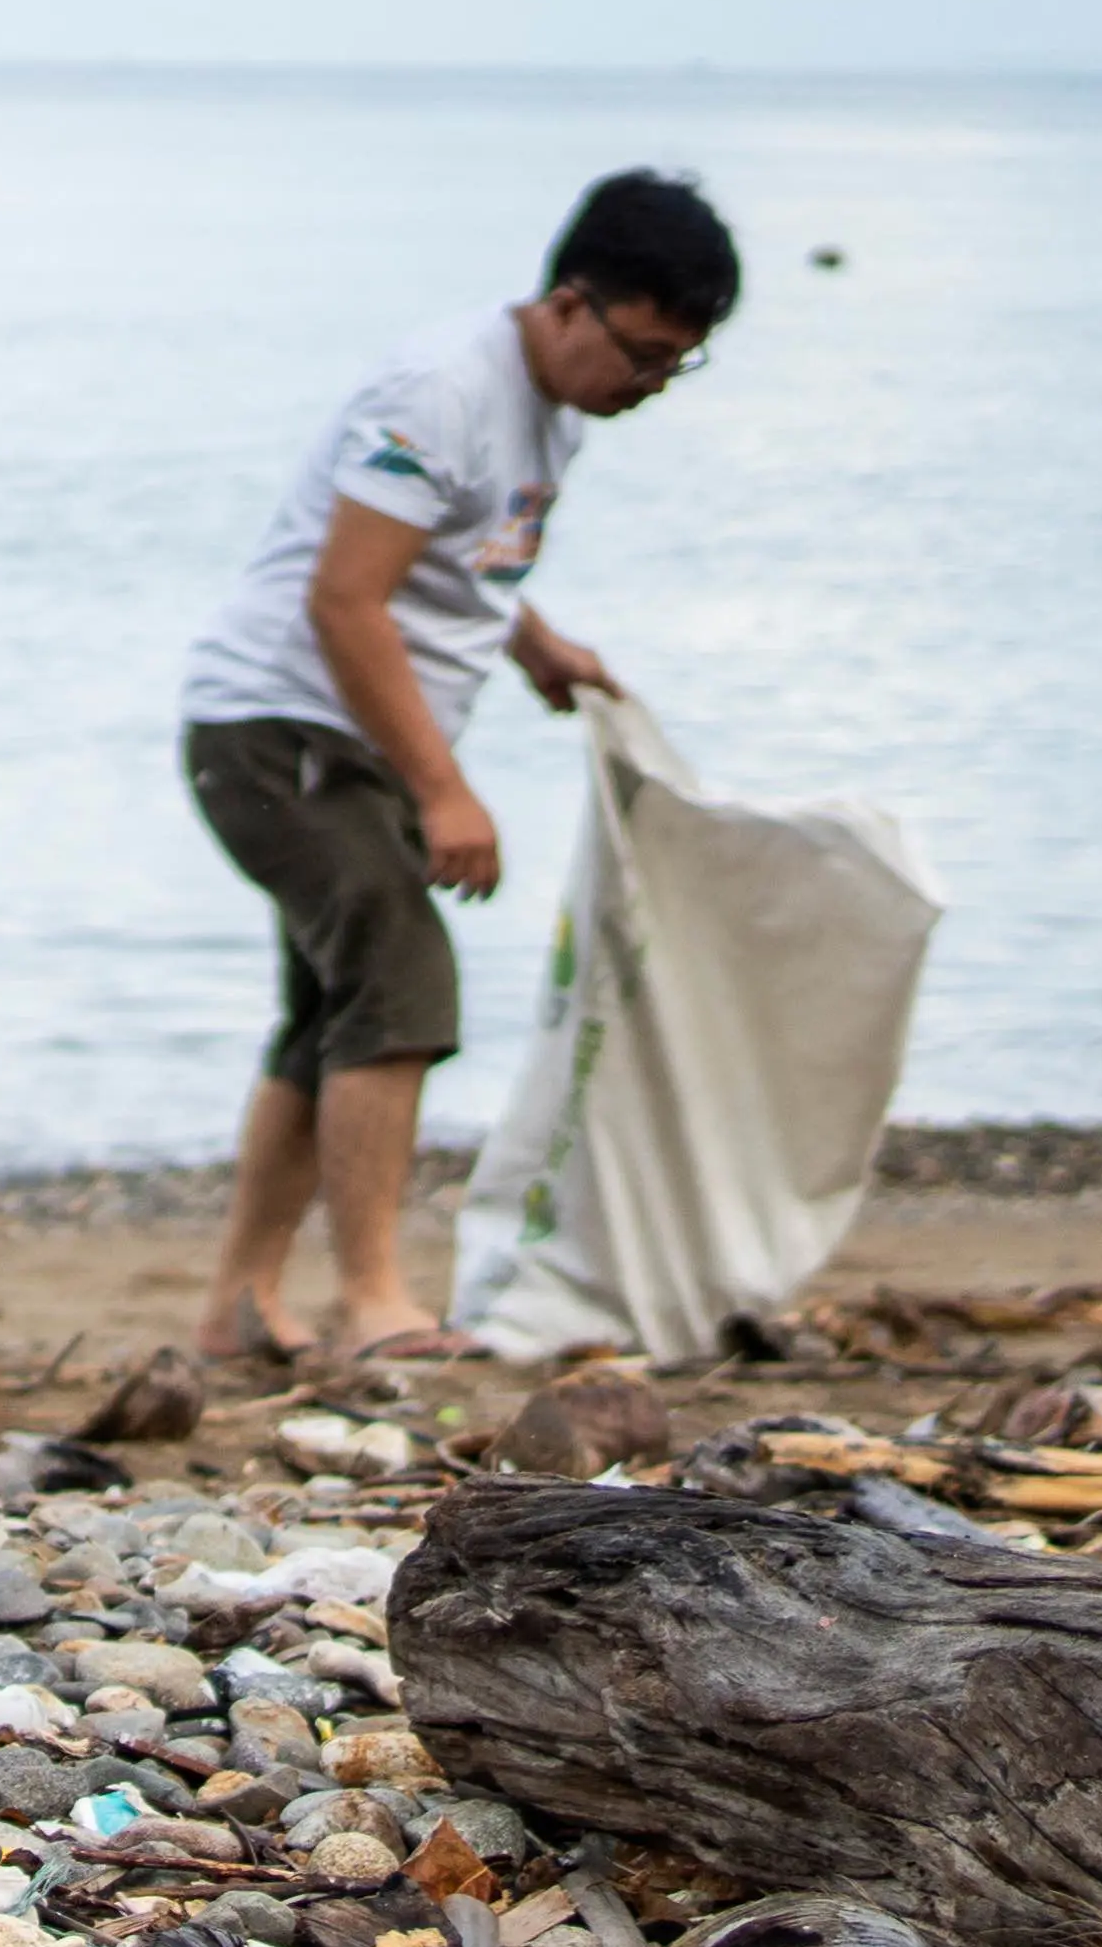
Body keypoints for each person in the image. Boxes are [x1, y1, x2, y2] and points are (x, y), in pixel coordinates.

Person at [177, 167, 739, 1368]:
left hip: (346, 732)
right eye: (640, 351)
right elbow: (345, 600)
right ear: (572, 302)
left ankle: (239, 1303)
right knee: (400, 980)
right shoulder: (441, 391)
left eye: (674, 366)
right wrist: (443, 790)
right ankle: (377, 1305)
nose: (645, 386)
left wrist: (533, 643)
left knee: (327, 1010)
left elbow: (462, 565)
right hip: (278, 725)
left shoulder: (559, 413)